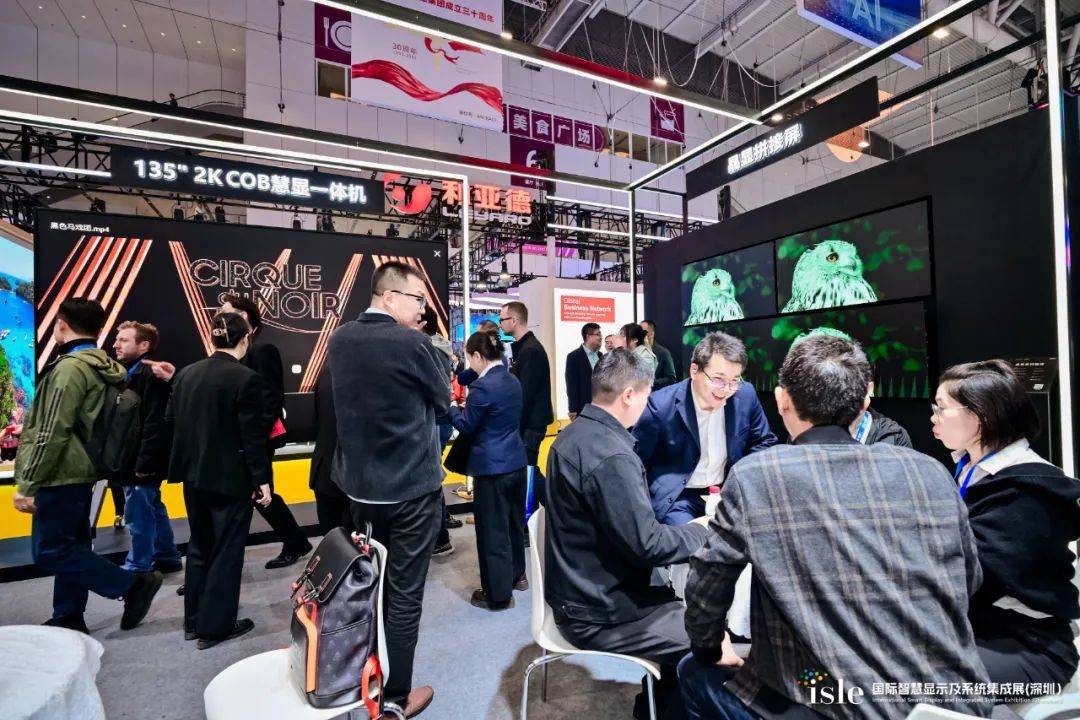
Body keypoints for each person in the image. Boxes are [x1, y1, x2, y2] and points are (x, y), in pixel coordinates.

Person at [679, 335, 992, 720]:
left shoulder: (757, 476)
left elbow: (707, 587)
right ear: (863, 402)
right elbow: (969, 578)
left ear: (782, 399)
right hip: (953, 702)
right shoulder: (931, 472)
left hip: (830, 703)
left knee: (694, 673)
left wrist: (709, 647)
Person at [545, 349, 710, 720]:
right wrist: (700, 533)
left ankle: (653, 707)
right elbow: (647, 545)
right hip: (597, 609)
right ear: (629, 395)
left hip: (580, 589)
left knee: (693, 615)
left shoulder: (573, 435)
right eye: (646, 396)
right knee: (710, 641)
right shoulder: (610, 455)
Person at [328, 261, 449, 717]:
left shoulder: (340, 339)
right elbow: (443, 399)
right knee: (404, 596)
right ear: (389, 297)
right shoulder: (412, 343)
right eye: (418, 300)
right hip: (411, 490)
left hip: (361, 490)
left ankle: (365, 679)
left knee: (368, 588)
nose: (422, 311)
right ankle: (396, 697)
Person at [932, 360, 1080, 700]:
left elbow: (975, 572)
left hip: (1031, 647)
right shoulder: (971, 469)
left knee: (907, 682)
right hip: (976, 629)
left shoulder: (1030, 489)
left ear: (979, 416)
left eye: (941, 408)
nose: (933, 417)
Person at [13, 298, 162, 634]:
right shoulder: (100, 365)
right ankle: (68, 614)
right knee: (72, 546)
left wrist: (28, 483)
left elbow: (53, 430)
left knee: (50, 551)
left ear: (62, 324)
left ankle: (131, 585)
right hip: (82, 470)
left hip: (60, 472)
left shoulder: (69, 369)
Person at [163, 311, 273, 649]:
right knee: (227, 550)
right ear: (245, 339)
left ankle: (193, 620)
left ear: (213, 337)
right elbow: (252, 437)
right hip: (230, 479)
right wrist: (262, 479)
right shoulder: (246, 378)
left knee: (199, 545)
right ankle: (215, 626)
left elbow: (171, 423)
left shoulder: (186, 374)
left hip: (192, 476)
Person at [634, 332, 777, 525]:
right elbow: (637, 461)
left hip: (727, 491)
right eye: (718, 379)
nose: (726, 389)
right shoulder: (661, 405)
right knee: (692, 541)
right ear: (694, 371)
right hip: (678, 497)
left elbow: (764, 441)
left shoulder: (745, 395)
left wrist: (741, 477)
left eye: (734, 380)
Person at [220, 294, 312, 570]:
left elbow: (271, 398)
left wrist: (254, 438)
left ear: (244, 316)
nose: (219, 318)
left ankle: (295, 542)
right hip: (241, 438)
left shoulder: (262, 350)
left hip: (255, 439)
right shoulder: (234, 353)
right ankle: (295, 542)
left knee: (261, 494)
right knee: (257, 494)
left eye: (226, 312)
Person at [449, 331, 528, 610]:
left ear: (477, 356)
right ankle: (518, 575)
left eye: (470, 359)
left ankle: (497, 595)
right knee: (513, 524)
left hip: (491, 469)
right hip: (516, 462)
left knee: (492, 531)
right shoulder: (512, 380)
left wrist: (452, 407)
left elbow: (466, 425)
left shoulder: (483, 388)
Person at [112, 321, 182, 575]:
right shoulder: (129, 373)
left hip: (141, 460)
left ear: (144, 346)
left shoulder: (151, 375)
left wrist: (144, 463)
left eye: (123, 340)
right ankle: (167, 556)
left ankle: (138, 566)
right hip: (135, 457)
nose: (116, 344)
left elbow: (155, 423)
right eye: (117, 339)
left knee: (138, 512)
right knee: (151, 506)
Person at [499, 301, 553, 507]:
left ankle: (558, 508)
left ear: (514, 320)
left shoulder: (530, 351)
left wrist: (513, 427)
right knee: (527, 469)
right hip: (528, 423)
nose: (500, 324)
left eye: (502, 319)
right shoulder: (525, 348)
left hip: (530, 424)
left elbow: (524, 395)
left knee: (528, 471)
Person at [418, 304, 457, 555]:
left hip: (434, 421)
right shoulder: (440, 346)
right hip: (440, 421)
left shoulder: (429, 350)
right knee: (432, 476)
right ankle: (440, 530)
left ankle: (440, 536)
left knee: (430, 479)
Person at [308, 365, 351, 536]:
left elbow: (316, 420)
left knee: (333, 539)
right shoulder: (367, 373)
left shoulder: (327, 371)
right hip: (352, 476)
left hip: (324, 469)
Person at [564, 322, 602, 419]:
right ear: (588, 336)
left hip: (601, 408)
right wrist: (572, 409)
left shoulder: (601, 355)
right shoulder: (574, 357)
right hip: (583, 409)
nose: (601, 337)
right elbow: (571, 384)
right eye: (598, 334)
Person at [641, 320, 677, 389]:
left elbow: (671, 378)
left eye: (642, 331)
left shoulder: (663, 353)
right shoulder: (636, 351)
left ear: (652, 334)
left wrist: (651, 383)